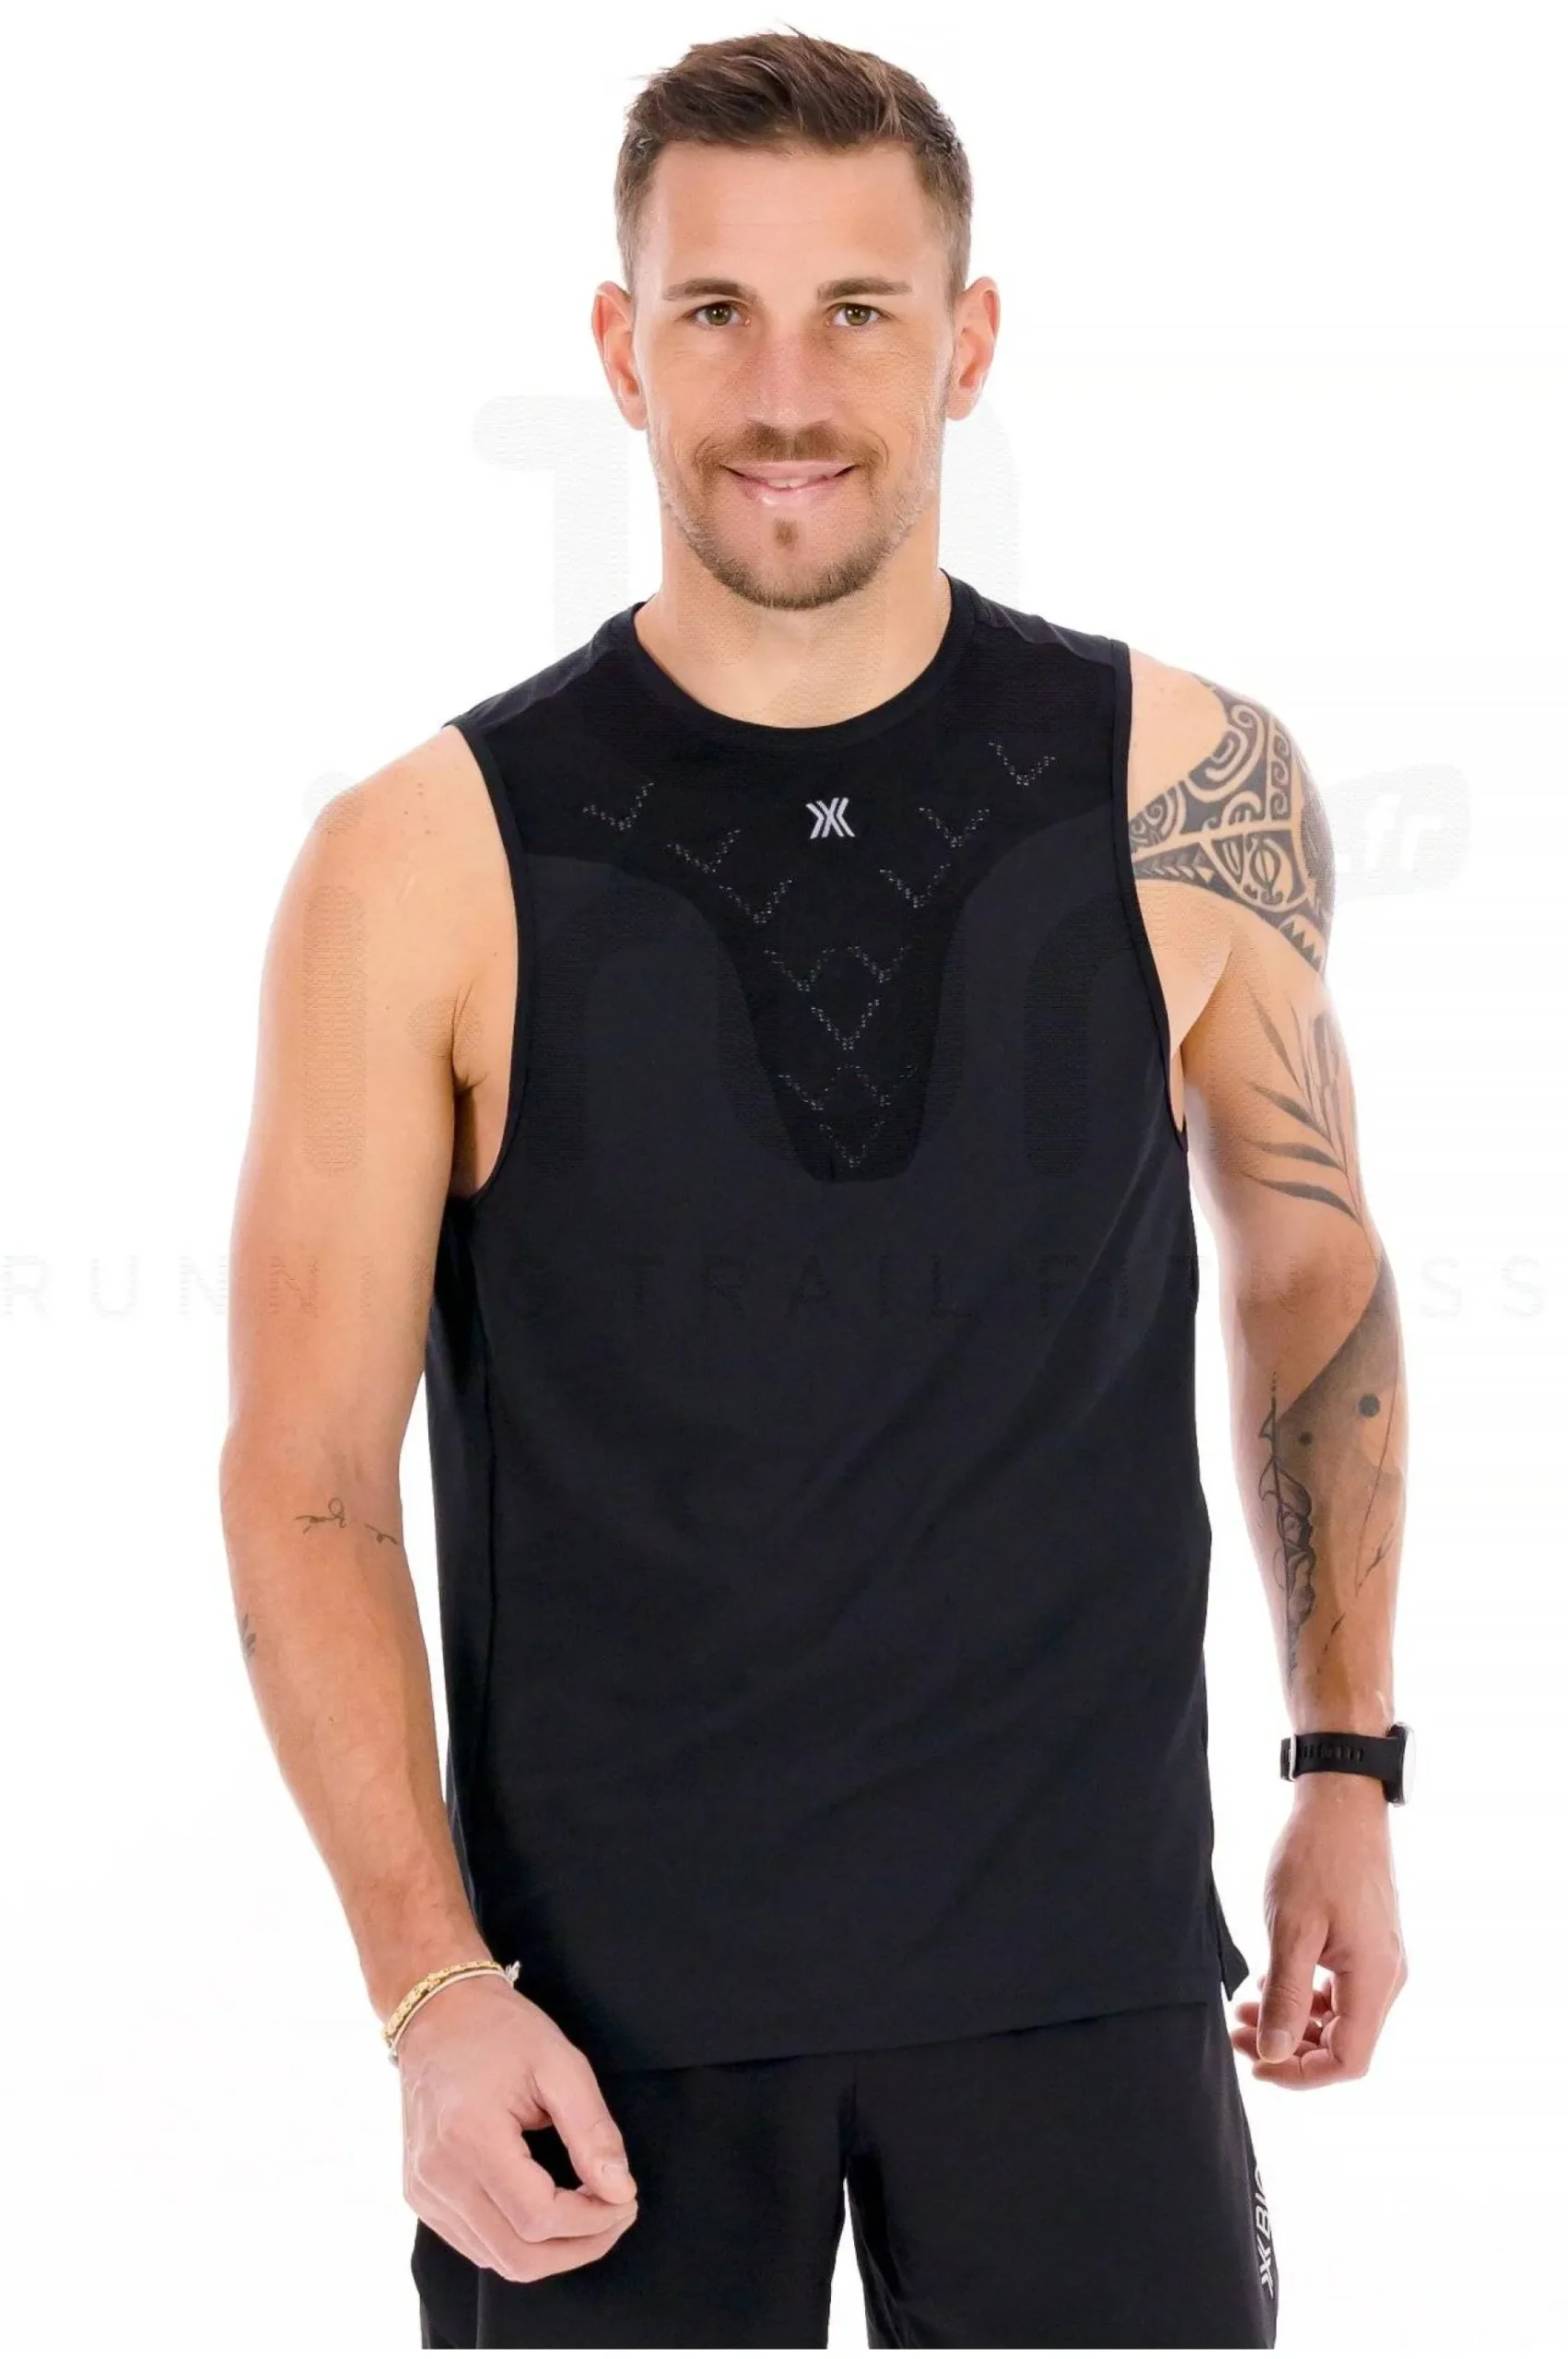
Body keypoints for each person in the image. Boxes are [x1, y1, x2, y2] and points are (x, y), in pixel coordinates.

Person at [219, 28, 1410, 2351]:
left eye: (856, 310)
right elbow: (305, 1476)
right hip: (597, 2025)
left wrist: (1343, 1763)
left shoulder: (1188, 783)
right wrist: (429, 1991)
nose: (786, 392)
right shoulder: (421, 855)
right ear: (618, 347)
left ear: (965, 341)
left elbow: (1307, 1271)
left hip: (1079, 1970)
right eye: (715, 312)